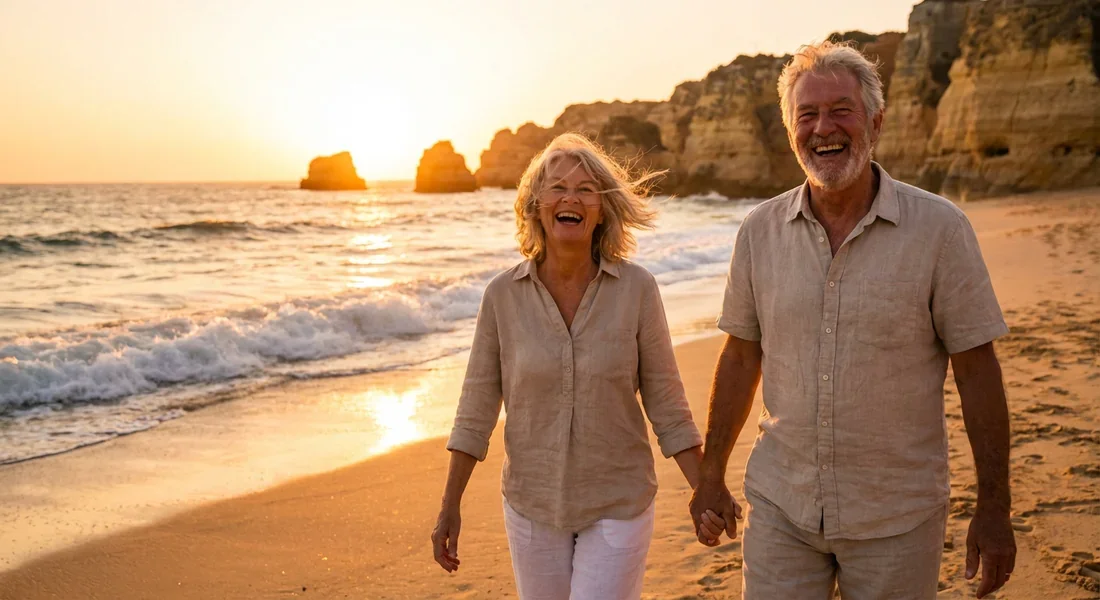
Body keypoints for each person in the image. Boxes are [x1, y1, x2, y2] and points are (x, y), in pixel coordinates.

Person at [689, 40, 1016, 600]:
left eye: (841, 110)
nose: (823, 128)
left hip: (897, 517)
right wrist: (711, 474)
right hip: (780, 506)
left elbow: (977, 370)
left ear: (876, 121)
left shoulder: (940, 231)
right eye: (807, 115)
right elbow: (741, 357)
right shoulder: (758, 232)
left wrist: (993, 507)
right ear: (791, 129)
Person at [431, 133, 723, 599]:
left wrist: (704, 488)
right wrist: (450, 506)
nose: (570, 197)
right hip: (531, 505)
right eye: (557, 187)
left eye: (586, 189)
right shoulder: (501, 297)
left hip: (618, 502)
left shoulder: (637, 290)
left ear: (602, 208)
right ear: (534, 204)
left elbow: (667, 404)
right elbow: (476, 408)